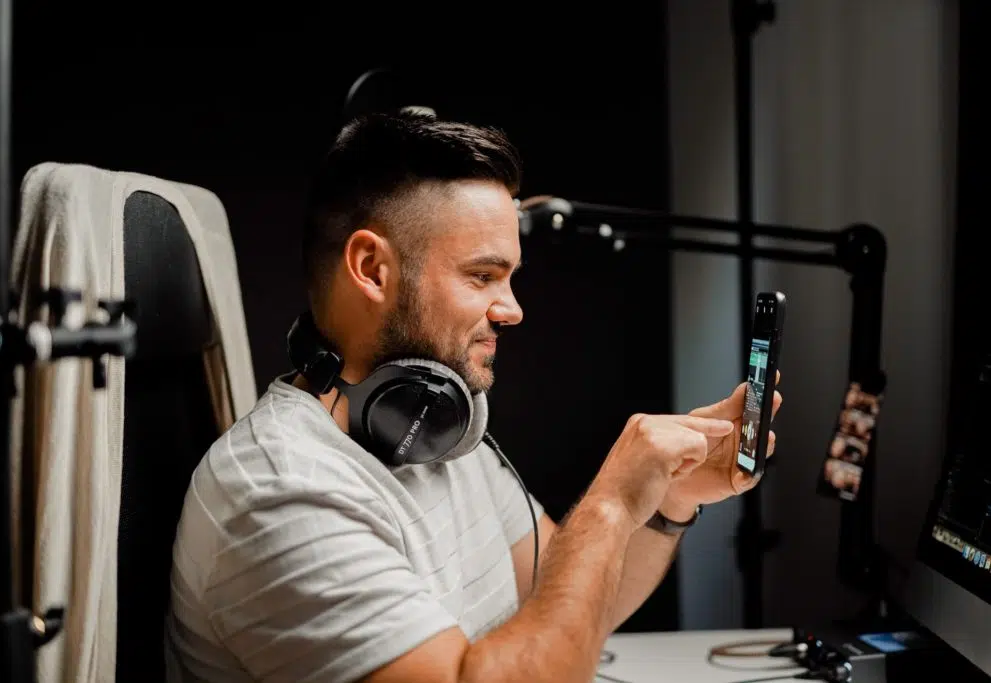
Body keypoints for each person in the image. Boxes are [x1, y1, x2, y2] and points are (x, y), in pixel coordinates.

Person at [164, 110, 783, 683]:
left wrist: (667, 499)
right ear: (372, 270)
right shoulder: (279, 491)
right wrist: (610, 505)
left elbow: (568, 605)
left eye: (509, 278)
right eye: (482, 276)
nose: (512, 310)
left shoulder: (435, 431)